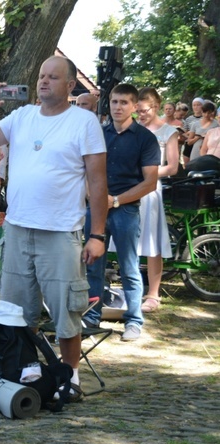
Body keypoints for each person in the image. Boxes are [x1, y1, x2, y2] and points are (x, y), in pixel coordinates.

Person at [0, 56, 108, 401]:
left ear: (70, 85)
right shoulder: (21, 116)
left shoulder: (84, 122)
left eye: (53, 77)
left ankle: (70, 377)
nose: (44, 81)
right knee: (17, 310)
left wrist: (97, 235)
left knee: (66, 310)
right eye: (41, 75)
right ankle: (26, 371)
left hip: (61, 232)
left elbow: (97, 180)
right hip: (17, 229)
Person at [84, 84, 159, 343]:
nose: (118, 107)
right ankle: (91, 317)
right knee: (92, 264)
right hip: (95, 208)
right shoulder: (99, 134)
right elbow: (85, 170)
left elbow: (150, 183)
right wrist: (93, 197)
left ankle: (134, 321)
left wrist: (114, 200)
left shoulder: (145, 138)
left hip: (125, 208)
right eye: (114, 102)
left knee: (128, 266)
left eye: (124, 102)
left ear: (135, 106)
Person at [135, 87, 180, 313]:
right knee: (129, 239)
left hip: (151, 189)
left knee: (153, 241)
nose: (140, 115)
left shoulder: (168, 131)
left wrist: (148, 172)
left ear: (155, 107)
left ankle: (153, 293)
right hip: (129, 188)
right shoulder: (133, 129)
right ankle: (131, 289)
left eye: (144, 111)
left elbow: (172, 166)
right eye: (138, 111)